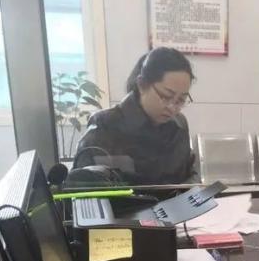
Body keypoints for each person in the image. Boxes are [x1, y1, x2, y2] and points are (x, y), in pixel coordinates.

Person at [74, 47, 197, 185]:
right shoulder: (105, 125)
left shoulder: (179, 125)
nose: (172, 107)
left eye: (180, 100)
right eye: (166, 97)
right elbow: (82, 185)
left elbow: (190, 174)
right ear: (142, 84)